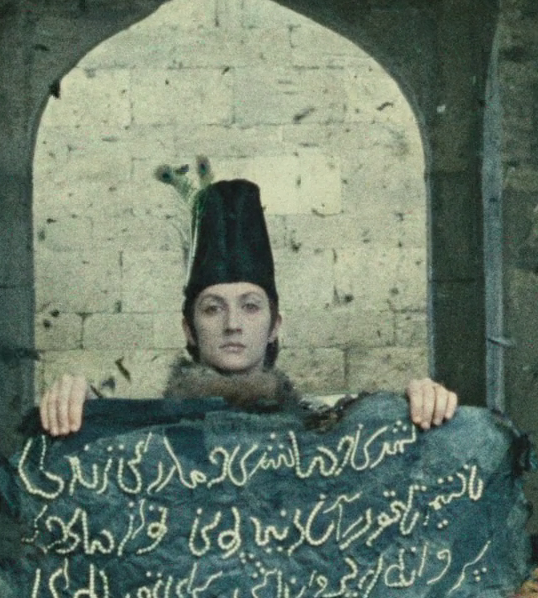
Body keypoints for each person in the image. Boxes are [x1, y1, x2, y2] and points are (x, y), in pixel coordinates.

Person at [40, 178, 459, 436]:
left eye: (251, 307)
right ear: (188, 329)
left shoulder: (320, 431)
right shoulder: (149, 434)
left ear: (275, 325)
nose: (232, 325)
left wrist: (419, 406)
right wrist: (83, 406)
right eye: (212, 309)